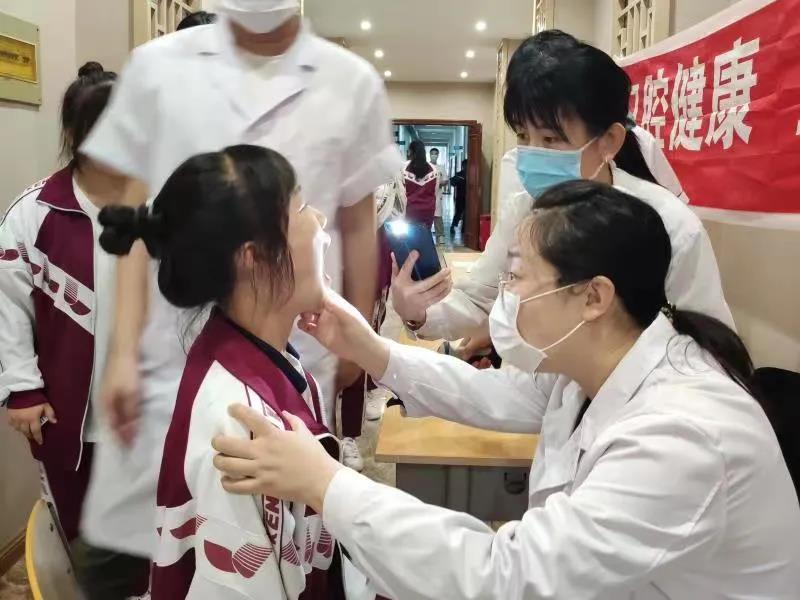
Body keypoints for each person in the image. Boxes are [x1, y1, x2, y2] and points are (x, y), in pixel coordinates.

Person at [213, 181, 800, 599]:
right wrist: (372, 350)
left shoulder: (682, 435)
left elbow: (509, 577)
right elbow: (490, 395)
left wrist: (327, 484)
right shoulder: (596, 367)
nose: (505, 297)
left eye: (517, 278)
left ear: (594, 297)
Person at [78, 0, 401, 556]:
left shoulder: (348, 82)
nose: (318, 224)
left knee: (279, 516)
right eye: (304, 211)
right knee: (219, 520)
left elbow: (356, 221)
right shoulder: (158, 68)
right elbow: (134, 218)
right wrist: (124, 352)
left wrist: (358, 343)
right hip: (197, 356)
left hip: (283, 339)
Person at [99, 145, 356, 599]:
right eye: (301, 209)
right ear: (253, 257)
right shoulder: (237, 419)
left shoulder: (270, 359)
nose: (321, 223)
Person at [392, 30, 715, 351]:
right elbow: (480, 298)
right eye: (522, 136)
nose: (533, 153)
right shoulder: (522, 211)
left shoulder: (670, 226)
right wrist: (419, 314)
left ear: (608, 141)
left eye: (550, 139)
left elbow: (705, 346)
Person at [0, 62, 151, 597]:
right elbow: (8, 309)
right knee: (86, 550)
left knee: (159, 542)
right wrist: (22, 389)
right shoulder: (34, 213)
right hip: (70, 423)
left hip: (155, 416)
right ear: (75, 135)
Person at [403, 141, 438, 231]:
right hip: (428, 210)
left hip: (410, 210)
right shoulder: (433, 169)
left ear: (411, 152)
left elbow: (400, 192)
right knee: (425, 235)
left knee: (409, 236)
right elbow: (435, 191)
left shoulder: (403, 168)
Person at [429, 147, 445, 243]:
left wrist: (439, 183)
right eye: (432, 154)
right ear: (430, 155)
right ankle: (426, 236)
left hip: (437, 196)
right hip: (427, 196)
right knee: (427, 216)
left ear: (438, 155)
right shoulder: (426, 167)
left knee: (438, 216)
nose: (434, 155)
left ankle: (440, 236)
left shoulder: (441, 168)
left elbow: (446, 180)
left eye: (435, 154)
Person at [449, 159, 467, 234]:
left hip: (469, 198)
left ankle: (464, 228)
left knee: (466, 214)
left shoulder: (472, 174)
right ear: (463, 166)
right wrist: (457, 180)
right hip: (460, 197)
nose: (465, 167)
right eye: (464, 165)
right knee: (458, 213)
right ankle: (453, 226)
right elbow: (452, 182)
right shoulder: (459, 174)